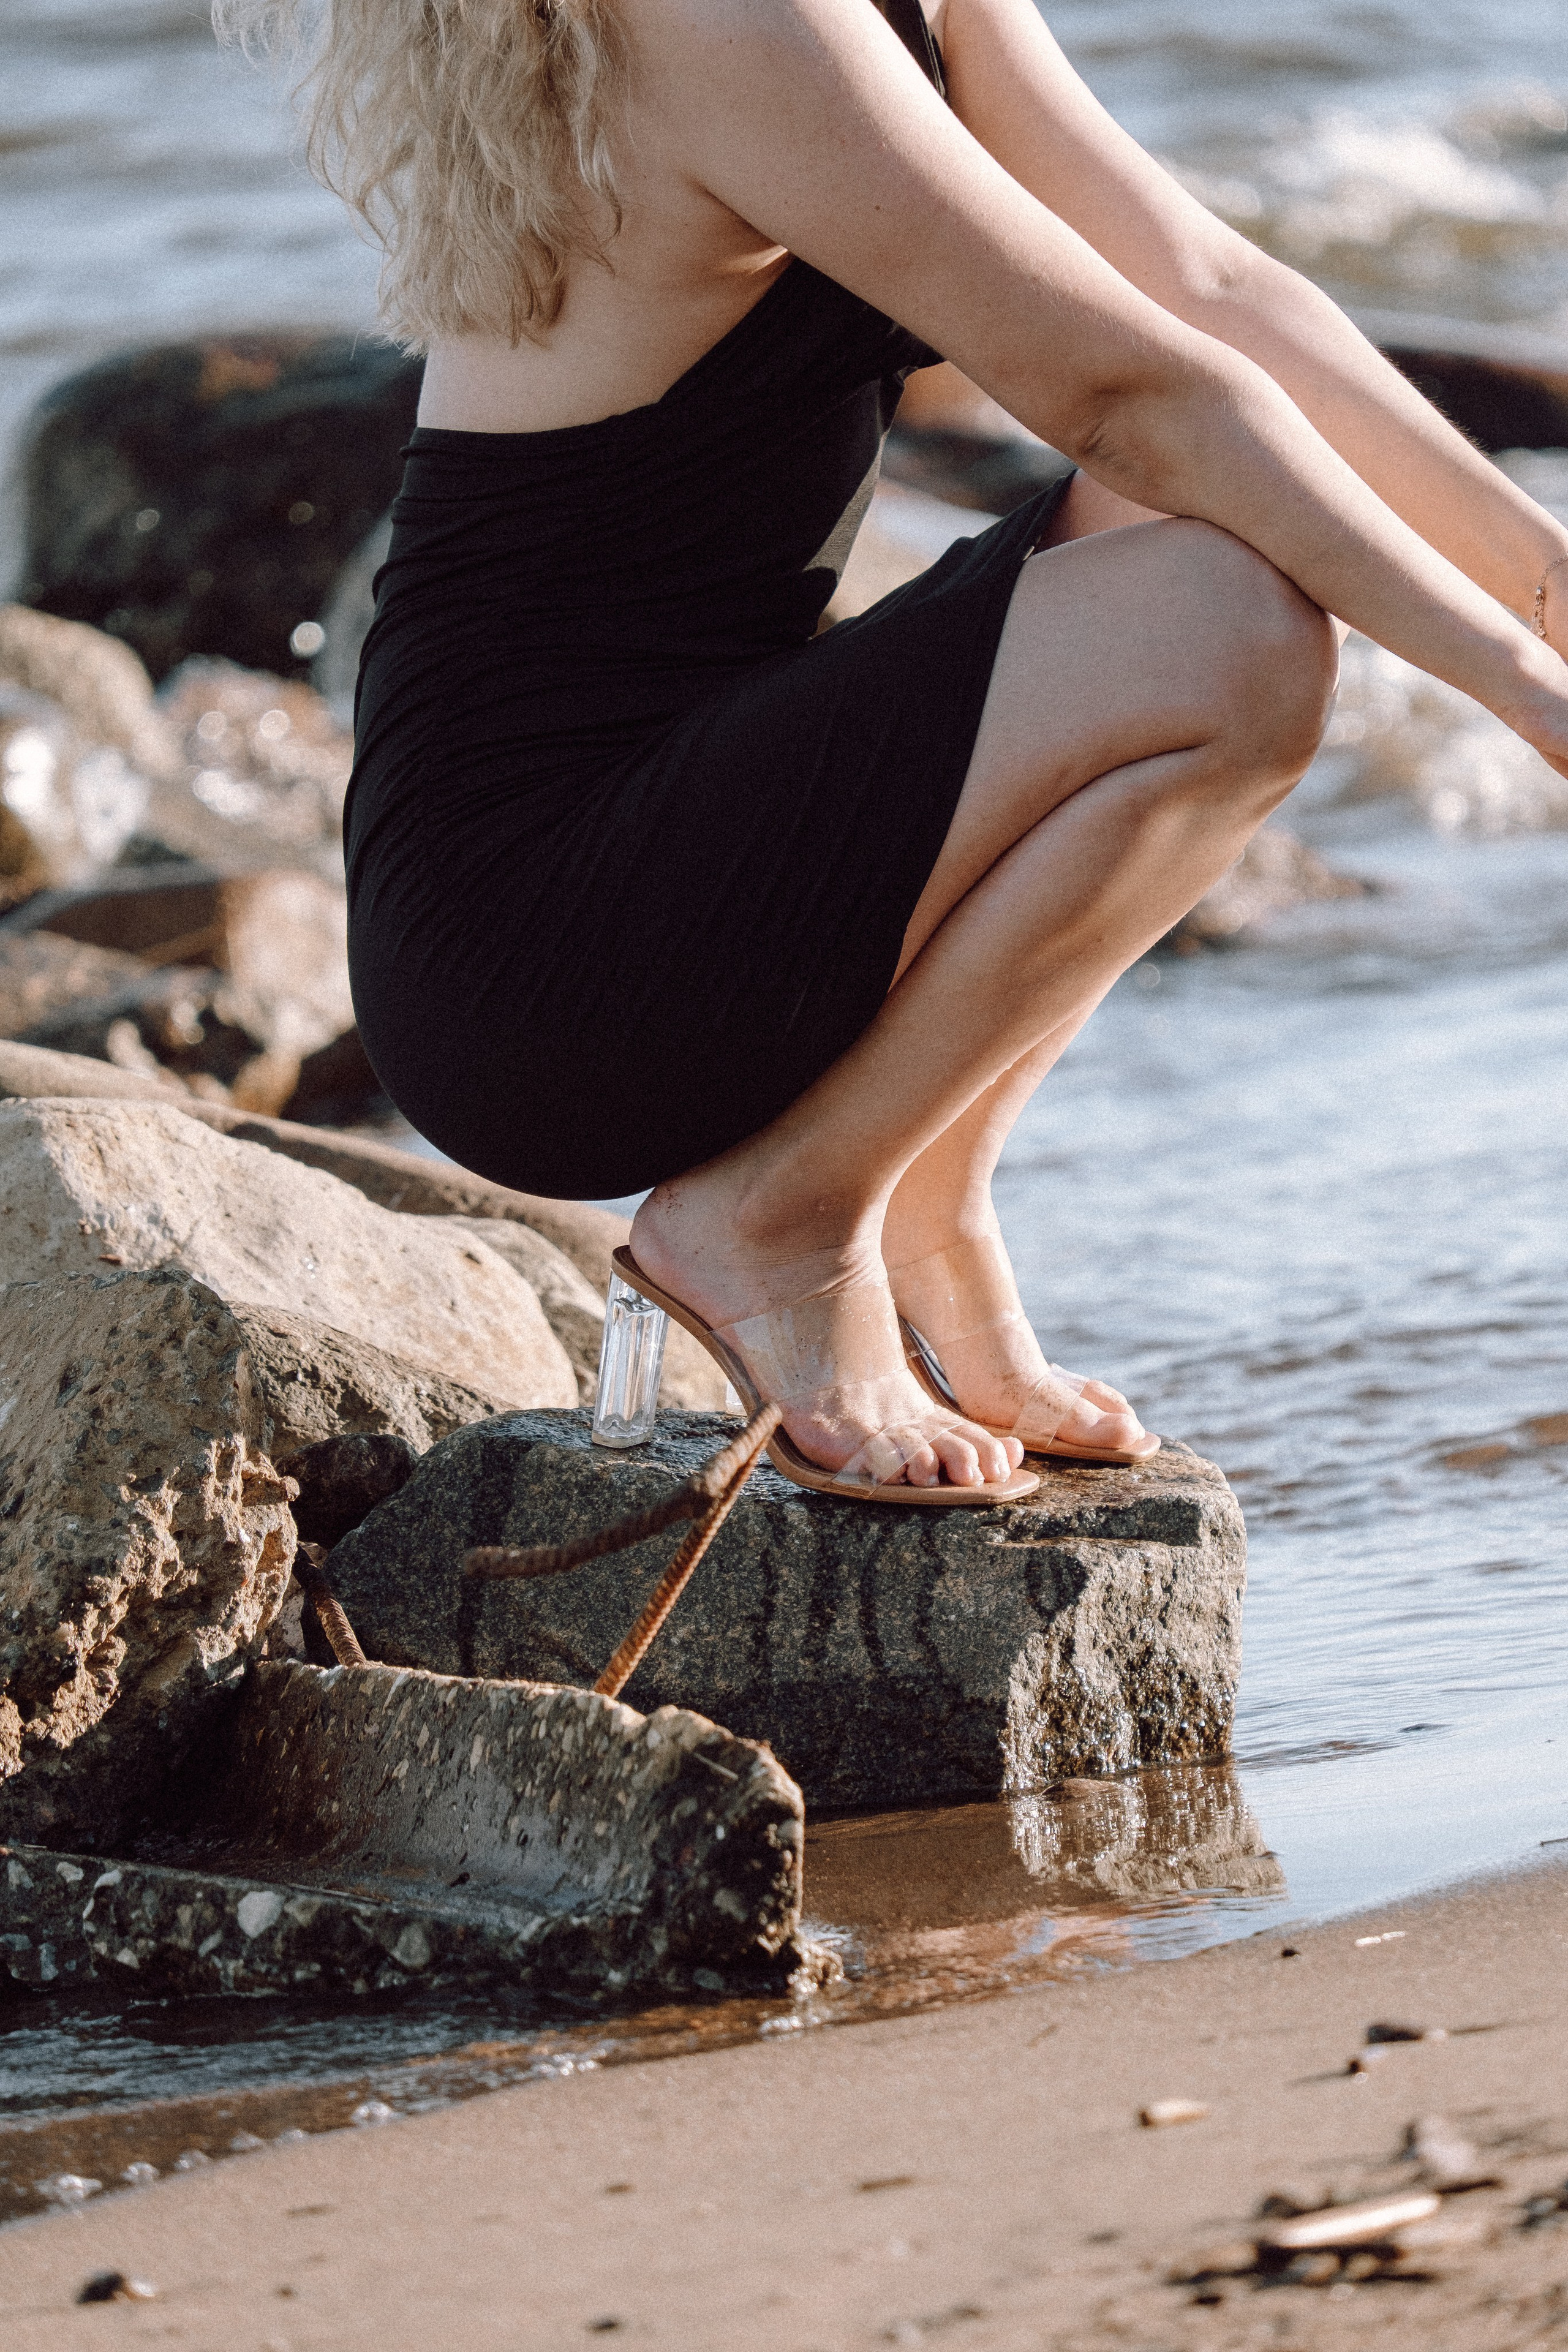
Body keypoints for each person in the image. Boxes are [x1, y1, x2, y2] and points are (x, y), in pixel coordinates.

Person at [223, 0, 1568, 1503]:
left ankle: (923, 1195)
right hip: (534, 933)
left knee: (1218, 517)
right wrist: (1521, 692)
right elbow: (1121, 392)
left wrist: (1547, 594)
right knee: (1222, 624)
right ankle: (777, 1220)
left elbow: (1207, 289)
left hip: (695, 801)